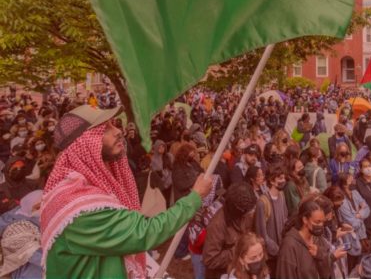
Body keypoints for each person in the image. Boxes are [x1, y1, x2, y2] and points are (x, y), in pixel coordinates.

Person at [40, 105, 212, 278]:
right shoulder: (78, 206)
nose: (118, 131)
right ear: (84, 144)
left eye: (114, 124)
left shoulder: (81, 188)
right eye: (105, 128)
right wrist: (195, 197)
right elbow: (145, 232)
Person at [275, 199, 346, 279]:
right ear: (305, 220)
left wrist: (320, 254)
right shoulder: (289, 245)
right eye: (317, 222)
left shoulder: (317, 238)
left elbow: (326, 266)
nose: (321, 225)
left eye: (322, 222)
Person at [203, 182, 258, 278]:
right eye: (246, 211)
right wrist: (239, 250)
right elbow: (210, 260)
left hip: (239, 270)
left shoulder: (246, 212)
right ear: (237, 209)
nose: (249, 213)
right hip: (221, 274)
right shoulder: (217, 224)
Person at [256, 165, 289, 273]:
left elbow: (285, 219)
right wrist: (275, 249)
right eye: (280, 178)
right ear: (272, 180)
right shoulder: (262, 202)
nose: (283, 181)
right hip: (271, 256)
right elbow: (262, 233)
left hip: (282, 250)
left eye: (284, 178)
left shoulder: (282, 195)